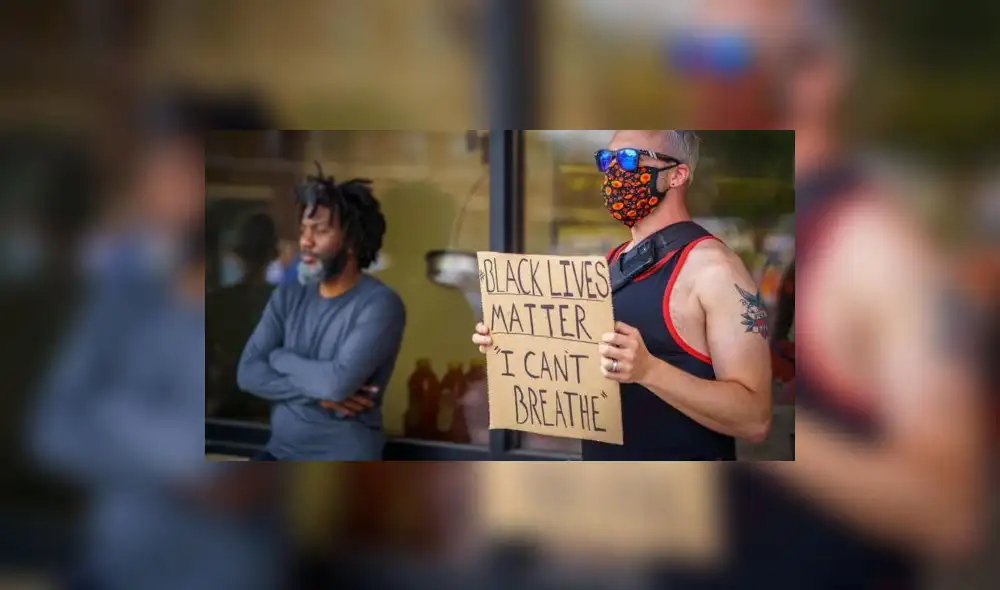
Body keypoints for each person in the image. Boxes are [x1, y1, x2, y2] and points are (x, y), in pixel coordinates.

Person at [676, 2, 984, 588]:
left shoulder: (872, 249)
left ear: (817, 75)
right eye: (693, 55)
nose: (703, 79)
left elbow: (949, 512)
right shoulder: (726, 225)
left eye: (731, 58)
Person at [473, 130, 772, 460]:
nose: (615, 171)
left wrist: (650, 371)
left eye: (630, 160)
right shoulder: (610, 265)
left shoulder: (716, 271)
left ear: (677, 175)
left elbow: (754, 419)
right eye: (607, 160)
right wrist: (513, 346)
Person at [237, 167, 406, 461]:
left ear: (351, 241)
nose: (306, 241)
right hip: (278, 454)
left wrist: (279, 357)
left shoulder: (380, 304)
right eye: (304, 230)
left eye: (320, 230)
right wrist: (321, 394)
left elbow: (337, 384)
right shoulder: (288, 294)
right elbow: (248, 373)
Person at [207, 212, 281, 419]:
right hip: (271, 409)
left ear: (238, 253)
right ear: (274, 254)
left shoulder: (215, 302)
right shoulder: (290, 304)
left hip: (230, 406)